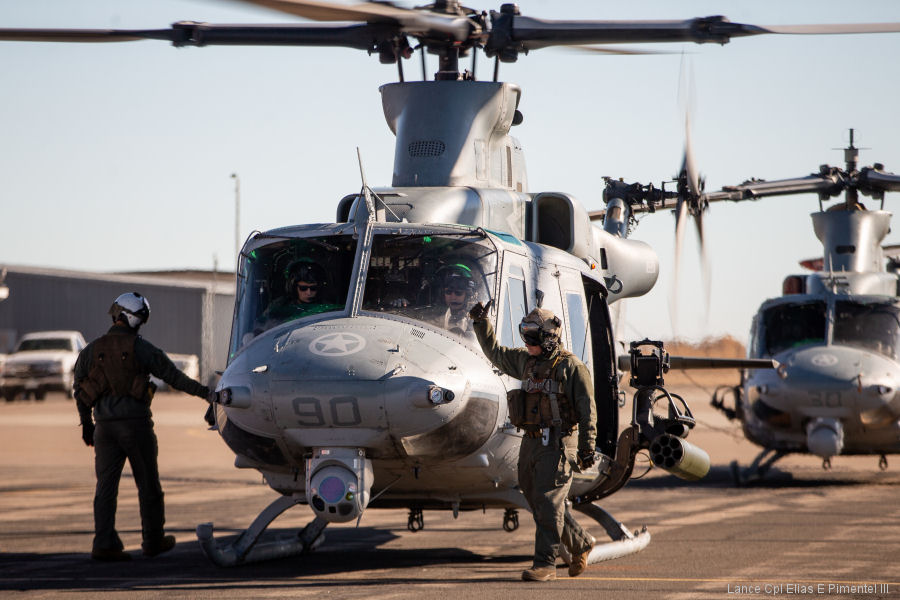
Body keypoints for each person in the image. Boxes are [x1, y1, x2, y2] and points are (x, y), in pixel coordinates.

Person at [74, 292, 213, 562]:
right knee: (148, 484)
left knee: (105, 488)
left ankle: (103, 543)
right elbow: (174, 376)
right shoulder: (141, 348)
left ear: (118, 314)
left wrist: (87, 426)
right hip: (136, 427)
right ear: (136, 319)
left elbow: (79, 389)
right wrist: (205, 393)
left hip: (104, 429)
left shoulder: (92, 349)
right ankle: (153, 540)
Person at [469, 303, 597, 582]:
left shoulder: (572, 368)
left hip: (560, 444)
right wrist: (481, 323)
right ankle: (581, 542)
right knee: (537, 498)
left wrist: (588, 448)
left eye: (532, 338)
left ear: (549, 338)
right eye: (524, 336)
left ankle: (545, 564)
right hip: (531, 442)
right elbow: (496, 354)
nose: (527, 343)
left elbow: (588, 411)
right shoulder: (526, 362)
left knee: (549, 502)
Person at [258, 259, 339, 329]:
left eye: (313, 288)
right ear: (294, 288)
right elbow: (261, 326)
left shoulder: (327, 309)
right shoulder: (279, 306)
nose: (309, 292)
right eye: (303, 288)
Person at [431, 264, 477, 338]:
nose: (453, 297)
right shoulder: (435, 317)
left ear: (467, 296)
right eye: (448, 292)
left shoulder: (474, 323)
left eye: (458, 293)